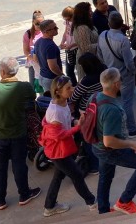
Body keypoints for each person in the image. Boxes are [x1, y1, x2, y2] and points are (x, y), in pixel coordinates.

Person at [93, 68, 136, 215]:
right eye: (119, 79)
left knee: (105, 177)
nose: (121, 81)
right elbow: (109, 141)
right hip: (110, 150)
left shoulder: (95, 97)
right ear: (115, 85)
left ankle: (103, 210)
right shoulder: (112, 110)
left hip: (97, 146)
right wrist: (131, 143)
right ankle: (125, 202)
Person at [0, 57, 41, 211]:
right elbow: (32, 99)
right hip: (18, 133)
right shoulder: (25, 87)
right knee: (19, 165)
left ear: (2, 72)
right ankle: (24, 194)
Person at [40, 76, 97, 217]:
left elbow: (67, 118)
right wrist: (78, 128)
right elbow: (58, 135)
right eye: (68, 88)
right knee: (77, 175)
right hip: (58, 151)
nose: (72, 89)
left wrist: (75, 121)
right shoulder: (54, 111)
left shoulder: (63, 103)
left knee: (58, 177)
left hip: (61, 148)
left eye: (72, 86)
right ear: (58, 91)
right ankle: (92, 202)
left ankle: (49, 206)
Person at [96, 12, 136, 136]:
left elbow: (99, 54)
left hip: (109, 74)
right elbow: (128, 61)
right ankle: (131, 129)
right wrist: (133, 72)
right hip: (124, 75)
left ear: (109, 23)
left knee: (114, 100)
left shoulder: (103, 35)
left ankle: (117, 126)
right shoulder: (123, 40)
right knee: (127, 102)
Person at [35, 19, 64, 92]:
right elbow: (53, 67)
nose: (57, 29)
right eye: (54, 28)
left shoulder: (38, 42)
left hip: (42, 76)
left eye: (56, 27)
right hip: (51, 79)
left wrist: (44, 66)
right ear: (46, 31)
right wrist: (62, 75)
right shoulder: (51, 46)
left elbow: (35, 58)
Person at [72, 2, 98, 79]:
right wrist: (101, 44)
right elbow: (85, 48)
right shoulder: (82, 28)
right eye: (89, 11)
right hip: (86, 63)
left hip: (91, 59)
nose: (92, 12)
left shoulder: (86, 25)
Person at [22, 10, 44, 86]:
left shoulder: (45, 31)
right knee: (33, 84)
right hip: (33, 62)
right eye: (37, 24)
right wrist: (33, 59)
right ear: (33, 22)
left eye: (42, 23)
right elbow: (26, 51)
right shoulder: (28, 34)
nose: (40, 26)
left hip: (44, 62)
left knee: (43, 85)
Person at [58, 6, 78, 86]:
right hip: (69, 49)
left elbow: (80, 39)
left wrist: (71, 45)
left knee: (79, 69)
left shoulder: (77, 24)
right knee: (69, 71)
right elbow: (66, 33)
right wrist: (62, 42)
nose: (67, 21)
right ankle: (74, 86)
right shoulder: (67, 22)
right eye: (65, 19)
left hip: (76, 48)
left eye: (68, 19)